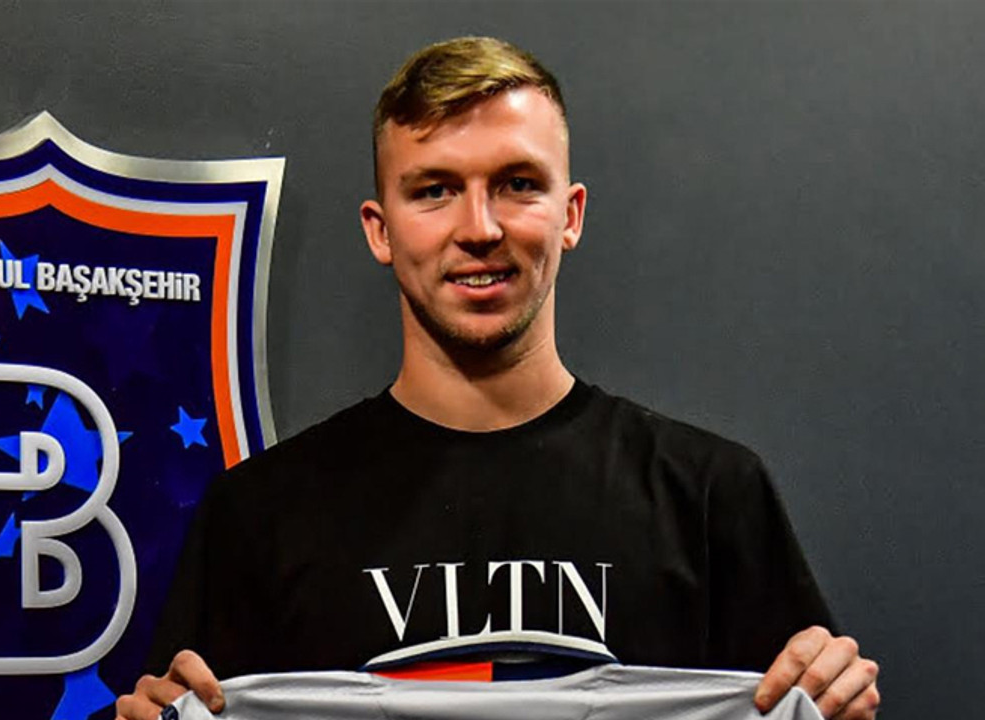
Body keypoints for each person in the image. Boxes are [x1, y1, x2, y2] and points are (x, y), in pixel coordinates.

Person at [116, 36, 879, 720]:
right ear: (380, 231)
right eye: (434, 190)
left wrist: (832, 704)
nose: (479, 228)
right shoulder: (260, 513)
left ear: (570, 215)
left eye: (518, 184)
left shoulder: (712, 496)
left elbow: (802, 697)